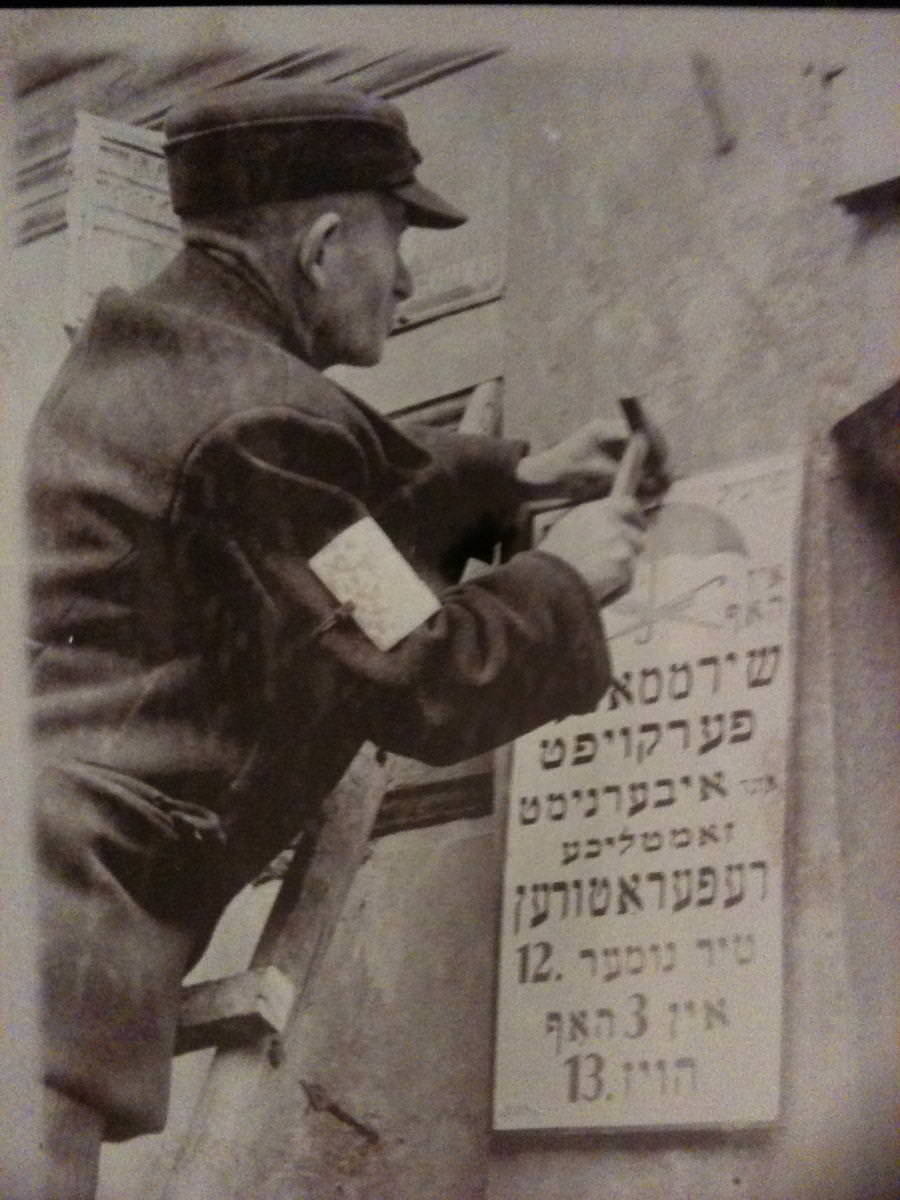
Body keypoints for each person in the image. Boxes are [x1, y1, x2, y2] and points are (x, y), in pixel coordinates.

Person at [26, 81, 660, 1193]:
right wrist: (570, 578)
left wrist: (521, 475)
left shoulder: (153, 352)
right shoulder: (257, 423)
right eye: (399, 238)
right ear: (323, 247)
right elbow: (418, 669)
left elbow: (318, 501)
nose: (406, 280)